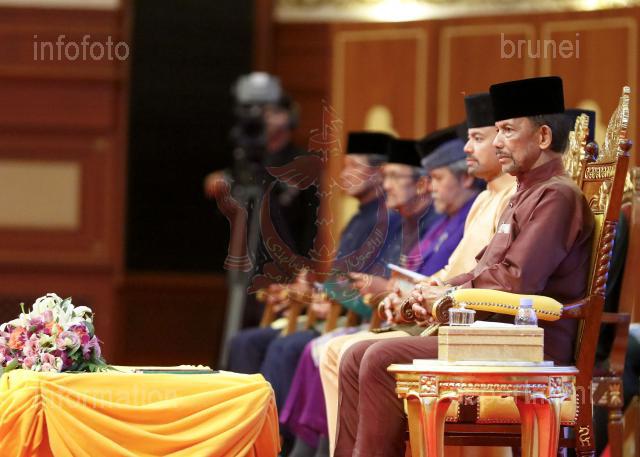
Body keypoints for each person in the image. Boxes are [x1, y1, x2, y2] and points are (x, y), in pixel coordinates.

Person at [333, 76, 594, 457]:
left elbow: (517, 281)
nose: (498, 141)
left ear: (542, 137)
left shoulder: (557, 196)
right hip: (493, 334)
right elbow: (482, 269)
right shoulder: (523, 193)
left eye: (507, 130)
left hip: (530, 345)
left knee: (379, 358)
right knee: (355, 355)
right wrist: (435, 290)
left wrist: (450, 296)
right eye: (497, 130)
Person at [320, 94, 517, 454]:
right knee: (340, 351)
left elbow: (496, 277)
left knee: (360, 354)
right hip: (446, 312)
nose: (469, 148)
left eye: (480, 138)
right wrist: (415, 292)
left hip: (472, 324)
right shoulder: (485, 198)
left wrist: (425, 295)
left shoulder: (514, 197)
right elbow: (453, 269)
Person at [226, 131, 397, 376]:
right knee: (245, 341)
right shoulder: (359, 218)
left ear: (378, 173)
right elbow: (339, 280)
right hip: (331, 312)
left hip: (354, 318)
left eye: (353, 166)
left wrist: (321, 297)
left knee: (284, 347)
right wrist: (309, 292)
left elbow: (370, 284)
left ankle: (276, 404)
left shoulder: (389, 221)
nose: (343, 174)